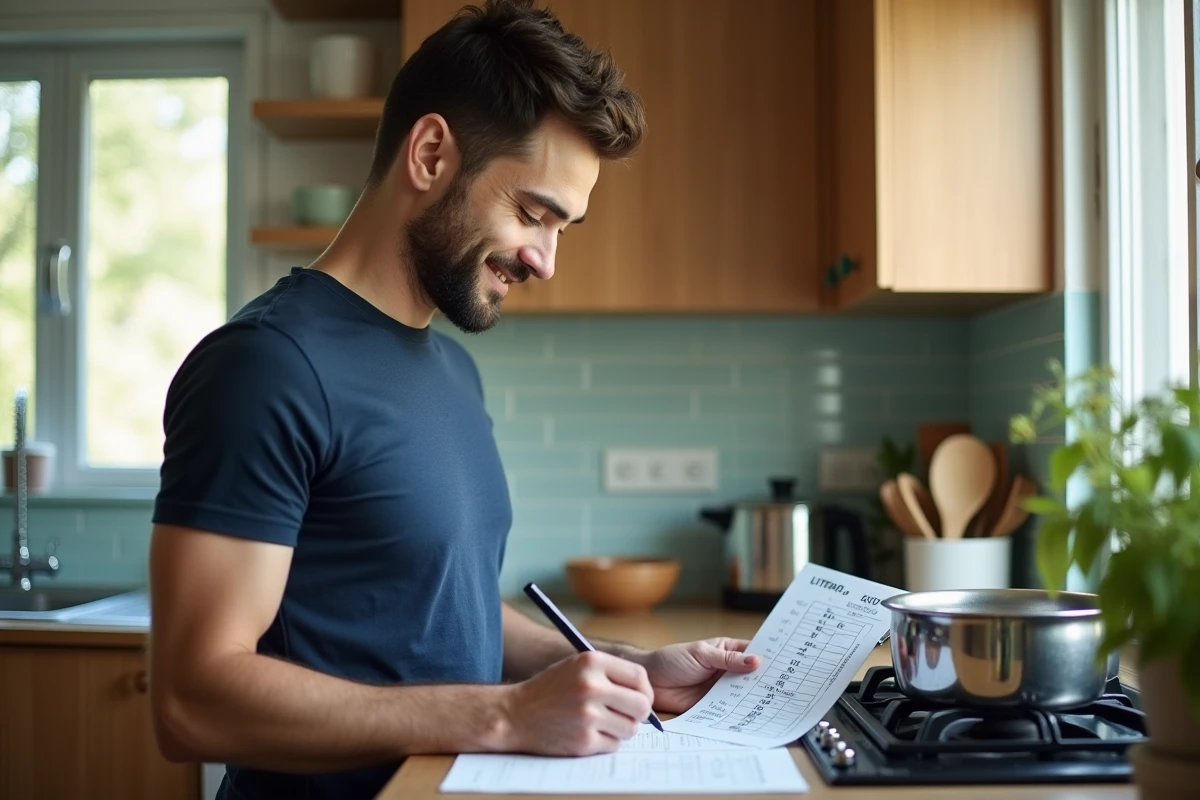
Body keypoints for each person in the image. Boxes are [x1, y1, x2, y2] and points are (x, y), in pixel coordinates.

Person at [147, 1, 762, 798]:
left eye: (562, 229)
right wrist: (504, 717)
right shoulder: (265, 368)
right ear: (432, 153)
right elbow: (192, 700)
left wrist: (626, 668)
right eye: (532, 213)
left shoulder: (449, 371)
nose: (544, 260)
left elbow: (445, 614)